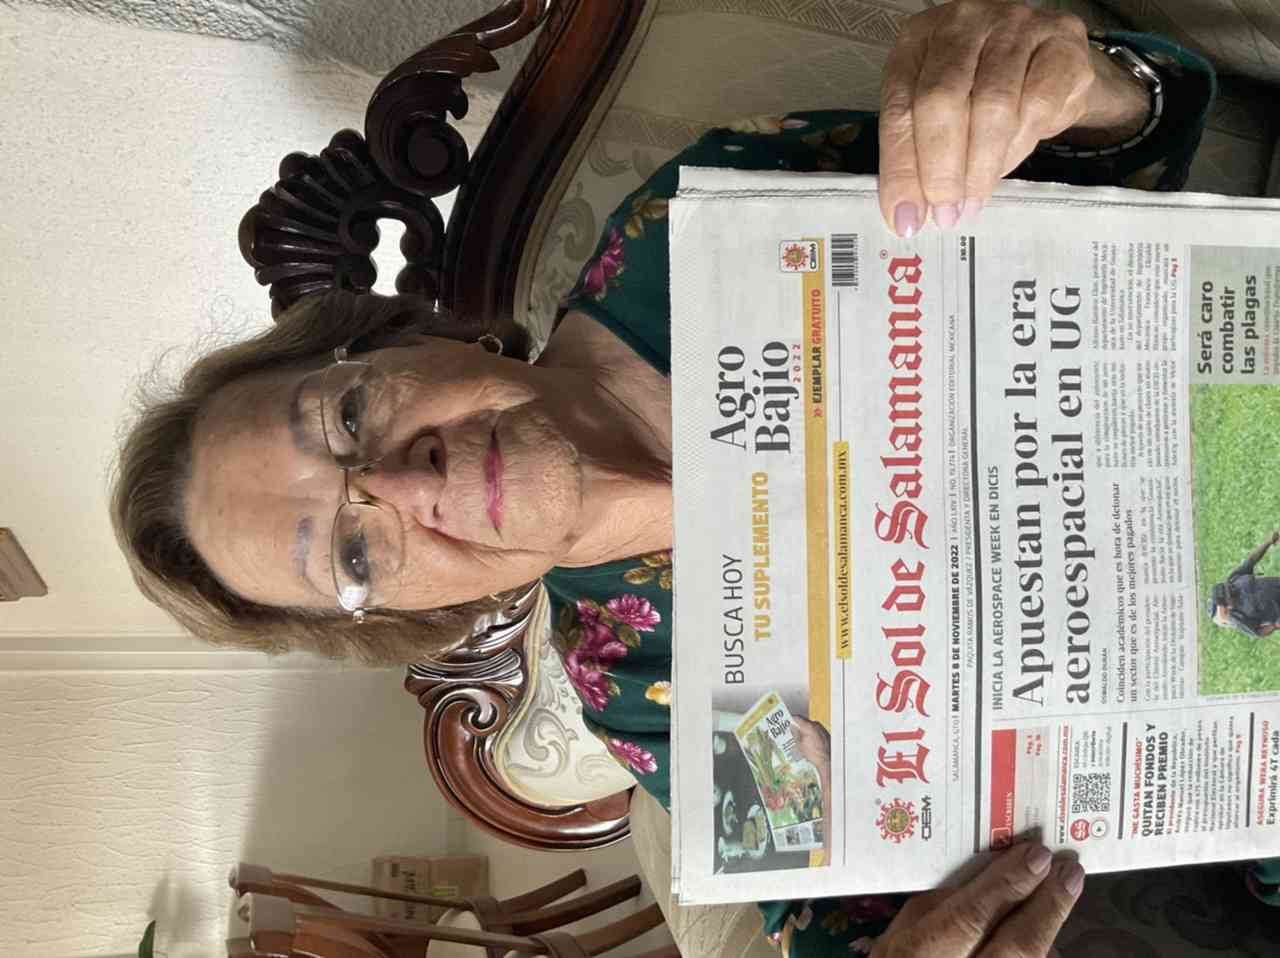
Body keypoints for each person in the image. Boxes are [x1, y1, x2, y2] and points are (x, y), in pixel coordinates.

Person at [112, 2, 1267, 953]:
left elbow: (1121, 150)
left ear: (404, 336)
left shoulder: (697, 223)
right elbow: (829, 902)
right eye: (354, 552)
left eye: (348, 415)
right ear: (420, 617)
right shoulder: (639, 678)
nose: (401, 485)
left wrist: (1061, 77)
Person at [1209, 531, 1280, 639]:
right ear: (1227, 605)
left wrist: (1269, 542)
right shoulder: (1236, 616)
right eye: (1229, 594)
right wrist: (1275, 625)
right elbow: (1258, 632)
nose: (1232, 590)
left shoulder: (1233, 579)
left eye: (1229, 588)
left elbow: (1251, 561)